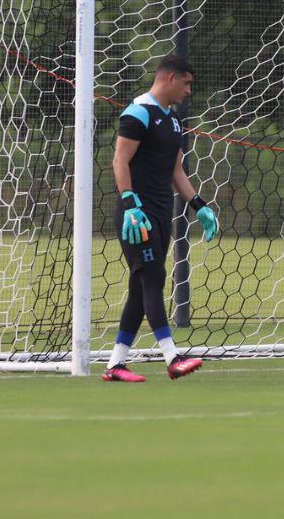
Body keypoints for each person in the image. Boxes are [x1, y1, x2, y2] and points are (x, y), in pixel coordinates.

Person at [102, 54, 219, 382]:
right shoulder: (138, 112)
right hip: (136, 216)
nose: (189, 91)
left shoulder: (174, 122)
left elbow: (176, 171)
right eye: (187, 83)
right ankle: (172, 357)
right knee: (152, 278)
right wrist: (130, 204)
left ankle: (115, 365)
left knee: (141, 287)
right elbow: (119, 161)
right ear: (170, 78)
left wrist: (200, 205)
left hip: (159, 212)